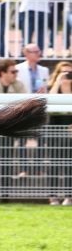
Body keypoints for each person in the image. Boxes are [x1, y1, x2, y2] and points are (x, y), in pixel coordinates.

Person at [46, 61, 72, 205]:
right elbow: (50, 100)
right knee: (54, 164)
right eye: (64, 73)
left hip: (70, 130)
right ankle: (53, 196)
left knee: (70, 164)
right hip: (55, 129)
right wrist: (58, 82)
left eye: (70, 73)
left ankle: (69, 196)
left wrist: (68, 90)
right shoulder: (53, 86)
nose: (67, 76)